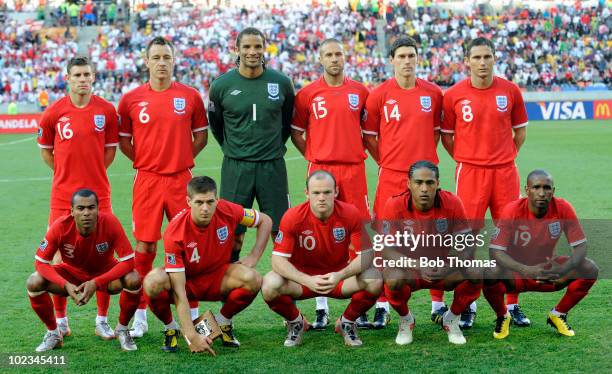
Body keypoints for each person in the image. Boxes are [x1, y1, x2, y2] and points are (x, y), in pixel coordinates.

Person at [118, 36, 208, 337]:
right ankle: (141, 314)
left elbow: (201, 138)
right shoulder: (130, 99)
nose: (161, 62)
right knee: (145, 247)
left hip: (181, 180)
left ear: (174, 60)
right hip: (147, 180)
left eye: (166, 57)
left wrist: (179, 160)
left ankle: (193, 314)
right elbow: (123, 141)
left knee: (188, 245)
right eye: (155, 57)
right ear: (146, 61)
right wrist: (147, 161)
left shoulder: (190, 96)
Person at [441, 37, 529, 328]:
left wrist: (504, 158)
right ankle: (469, 303)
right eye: (476, 57)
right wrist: (469, 159)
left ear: (494, 58)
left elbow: (520, 133)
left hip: (504, 172)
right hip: (470, 173)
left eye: (487, 57)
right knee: (468, 240)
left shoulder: (510, 90)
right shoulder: (453, 94)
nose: (482, 62)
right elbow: (447, 137)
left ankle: (512, 305)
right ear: (467, 60)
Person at [291, 38, 371, 330]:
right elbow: (297, 133)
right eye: (328, 54)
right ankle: (321, 304)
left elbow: (369, 131)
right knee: (316, 233)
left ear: (345, 57)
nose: (334, 58)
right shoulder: (307, 94)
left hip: (353, 169)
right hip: (321, 168)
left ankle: (358, 304)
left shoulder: (360, 92)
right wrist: (315, 157)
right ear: (320, 58)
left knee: (360, 232)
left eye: (339, 53)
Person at [362, 36, 443, 328]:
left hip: (424, 178)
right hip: (392, 175)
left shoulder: (433, 93)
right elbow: (369, 136)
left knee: (435, 235)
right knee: (386, 238)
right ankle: (383, 303)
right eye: (402, 56)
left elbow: (435, 132)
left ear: (417, 59)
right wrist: (386, 161)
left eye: (412, 55)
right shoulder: (379, 94)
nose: (407, 61)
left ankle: (438, 302)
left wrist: (422, 163)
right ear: (392, 60)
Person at [37, 55, 118, 340]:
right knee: (60, 259)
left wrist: (92, 174)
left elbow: (109, 151)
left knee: (105, 256)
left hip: (100, 195)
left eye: (87, 75)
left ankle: (102, 320)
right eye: (78, 75)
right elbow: (46, 151)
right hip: (62, 198)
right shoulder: (53, 112)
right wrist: (64, 173)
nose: (83, 79)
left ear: (93, 77)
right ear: (68, 78)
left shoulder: (107, 110)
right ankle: (61, 322)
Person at [143, 176, 272, 354]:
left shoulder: (227, 209)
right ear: (188, 201)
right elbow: (179, 292)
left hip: (218, 277)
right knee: (152, 281)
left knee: (253, 278)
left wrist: (254, 257)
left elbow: (265, 220)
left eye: (210, 202)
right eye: (199, 202)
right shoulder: (174, 232)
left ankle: (222, 322)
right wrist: (192, 336)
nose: (205, 208)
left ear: (216, 200)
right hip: (187, 283)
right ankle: (171, 327)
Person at [261, 171, 382, 347]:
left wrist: (340, 275)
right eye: (316, 193)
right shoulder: (292, 216)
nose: (322, 198)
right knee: (269, 284)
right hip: (303, 281)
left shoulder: (351, 213)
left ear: (336, 192)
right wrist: (306, 279)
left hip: (339, 279)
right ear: (307, 193)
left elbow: (367, 255)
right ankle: (297, 322)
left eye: (327, 192)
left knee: (374, 278)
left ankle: (347, 322)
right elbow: (277, 261)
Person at [208, 27, 294, 264]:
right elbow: (216, 125)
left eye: (257, 46)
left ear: (264, 48)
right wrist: (232, 148)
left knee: (281, 232)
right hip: (237, 167)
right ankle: (231, 281)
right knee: (234, 234)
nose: (252, 52)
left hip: (272, 166)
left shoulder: (282, 82)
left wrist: (272, 147)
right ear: (236, 49)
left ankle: (283, 286)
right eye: (246, 46)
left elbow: (287, 124)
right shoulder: (221, 85)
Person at [483, 170, 598, 339]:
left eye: (547, 188)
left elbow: (581, 246)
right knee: (489, 273)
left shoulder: (563, 208)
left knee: (589, 268)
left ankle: (558, 314)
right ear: (527, 189)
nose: (542, 193)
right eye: (536, 187)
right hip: (518, 275)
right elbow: (495, 250)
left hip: (549, 273)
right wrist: (526, 270)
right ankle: (503, 315)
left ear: (553, 190)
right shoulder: (513, 210)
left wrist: (562, 269)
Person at [26, 189, 141, 352]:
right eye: (80, 208)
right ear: (72, 211)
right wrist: (64, 284)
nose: (86, 213)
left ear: (98, 209)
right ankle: (54, 333)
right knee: (34, 281)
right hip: (72, 273)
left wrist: (96, 282)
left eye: (91, 207)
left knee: (133, 279)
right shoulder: (60, 226)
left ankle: (122, 329)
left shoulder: (110, 222)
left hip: (104, 273)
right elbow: (40, 263)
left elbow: (129, 261)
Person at [380, 161, 482, 345]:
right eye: (418, 182)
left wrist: (448, 267)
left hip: (442, 270)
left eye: (429, 182)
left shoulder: (452, 203)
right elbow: (387, 250)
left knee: (476, 270)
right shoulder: (394, 205)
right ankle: (406, 320)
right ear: (408, 184)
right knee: (392, 277)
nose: (424, 188)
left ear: (437, 183)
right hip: (411, 269)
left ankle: (451, 319)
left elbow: (466, 246)